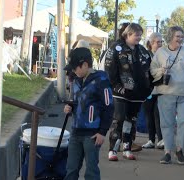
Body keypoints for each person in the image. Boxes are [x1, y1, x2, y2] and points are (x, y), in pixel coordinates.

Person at [150, 26, 184, 165]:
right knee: (167, 124)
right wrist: (161, 70)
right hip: (166, 93)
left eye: (182, 37)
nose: (180, 39)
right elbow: (152, 70)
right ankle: (167, 152)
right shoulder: (160, 52)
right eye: (178, 36)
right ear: (171, 36)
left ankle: (179, 149)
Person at [63, 47, 114, 180]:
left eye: (75, 68)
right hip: (75, 131)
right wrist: (69, 108)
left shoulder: (101, 80)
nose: (73, 71)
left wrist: (102, 132)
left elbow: (109, 107)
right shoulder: (75, 80)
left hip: (92, 134)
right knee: (71, 168)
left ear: (85, 64)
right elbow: (75, 101)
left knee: (91, 171)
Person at [105, 23, 152, 161]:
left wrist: (148, 88)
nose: (139, 37)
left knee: (131, 121)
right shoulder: (115, 48)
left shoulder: (142, 51)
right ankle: (113, 150)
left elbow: (150, 70)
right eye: (136, 35)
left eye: (140, 35)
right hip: (120, 92)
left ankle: (127, 148)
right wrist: (117, 86)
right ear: (128, 34)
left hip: (137, 94)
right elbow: (109, 70)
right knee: (118, 119)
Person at [142, 32, 164, 149]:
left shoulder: (164, 55)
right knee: (148, 114)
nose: (160, 44)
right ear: (151, 43)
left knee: (158, 113)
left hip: (160, 89)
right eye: (158, 42)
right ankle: (151, 139)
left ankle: (160, 139)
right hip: (148, 89)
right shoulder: (146, 55)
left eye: (161, 42)